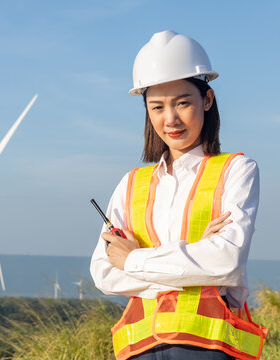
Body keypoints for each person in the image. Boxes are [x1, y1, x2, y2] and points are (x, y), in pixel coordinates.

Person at [90, 30, 268, 360]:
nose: (170, 119)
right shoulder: (130, 184)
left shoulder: (236, 171)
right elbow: (103, 272)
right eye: (157, 107)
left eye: (182, 102)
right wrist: (197, 256)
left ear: (208, 99)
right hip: (140, 349)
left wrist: (134, 260)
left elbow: (227, 263)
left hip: (209, 350)